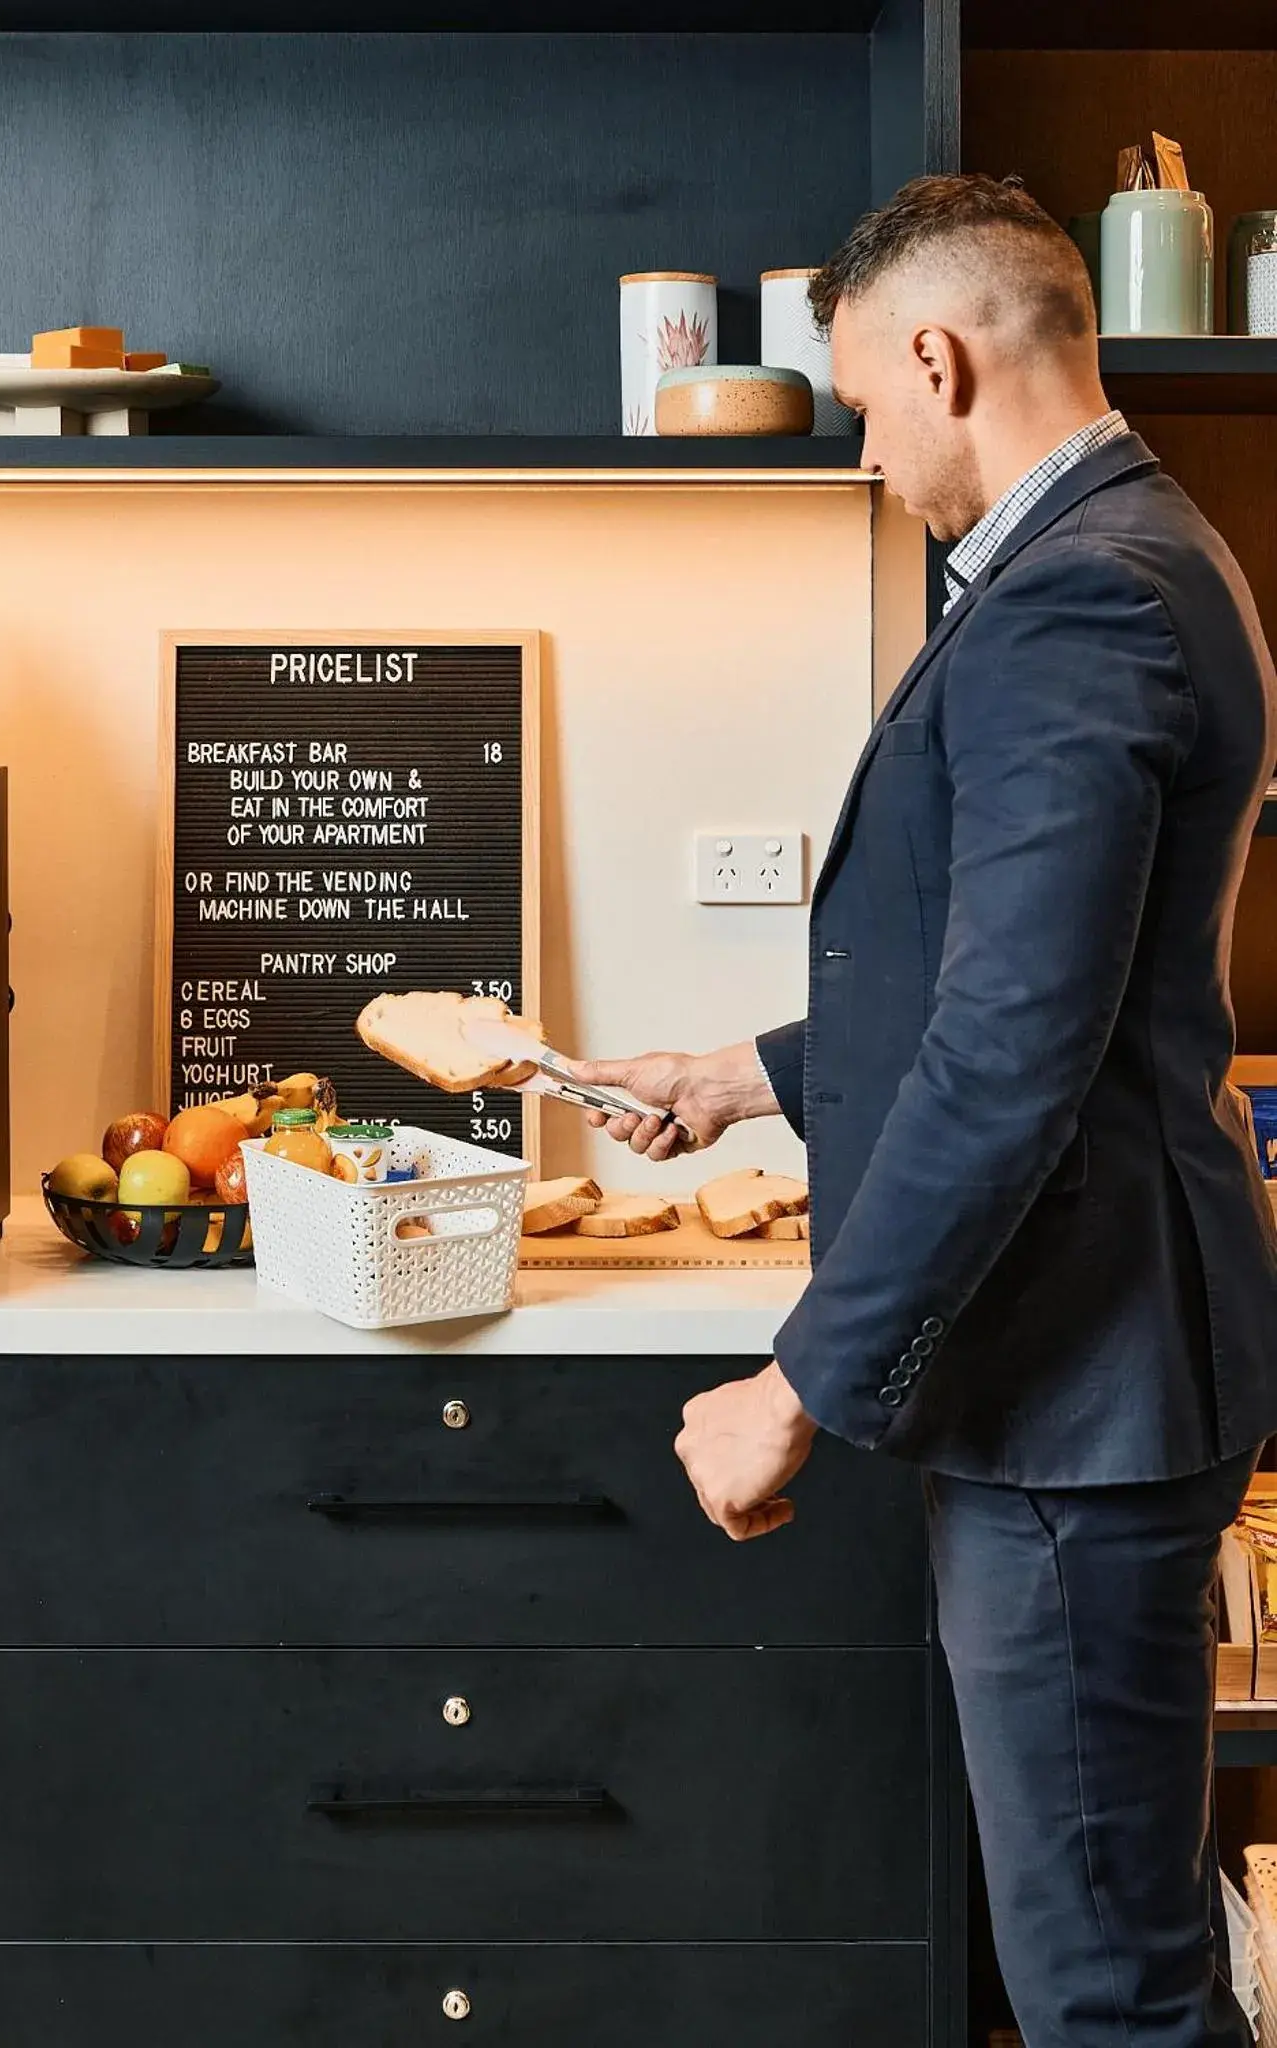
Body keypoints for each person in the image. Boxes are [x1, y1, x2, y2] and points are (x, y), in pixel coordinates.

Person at [571, 174, 1277, 2046]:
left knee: (1106, 1988)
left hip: (1077, 1391)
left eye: (870, 409)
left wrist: (794, 1385)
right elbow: (1042, 995)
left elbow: (1017, 1051)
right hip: (1097, 1376)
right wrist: (740, 1081)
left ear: (942, 359)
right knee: (1117, 1943)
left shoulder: (1080, 603)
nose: (873, 456)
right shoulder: (1131, 557)